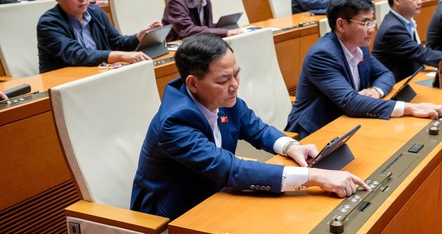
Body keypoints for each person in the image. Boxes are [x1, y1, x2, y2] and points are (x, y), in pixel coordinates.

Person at [130, 33, 371, 219]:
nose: (235, 85)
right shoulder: (175, 121)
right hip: (175, 213)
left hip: (218, 195)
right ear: (193, 84)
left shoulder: (221, 97)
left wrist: (290, 146)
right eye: (224, 80)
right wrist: (314, 176)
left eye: (236, 74)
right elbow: (229, 169)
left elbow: (257, 129)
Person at [285, 0, 442, 139]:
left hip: (349, 123)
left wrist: (375, 91)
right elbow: (350, 102)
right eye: (365, 23)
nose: (371, 29)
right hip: (315, 132)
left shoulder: (359, 47)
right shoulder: (322, 55)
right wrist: (409, 108)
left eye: (372, 22)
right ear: (341, 25)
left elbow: (386, 74)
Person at [37, 0, 160, 73]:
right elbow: (77, 54)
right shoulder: (48, 24)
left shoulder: (96, 12)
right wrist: (121, 56)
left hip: (98, 74)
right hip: (64, 83)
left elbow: (117, 43)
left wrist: (138, 37)